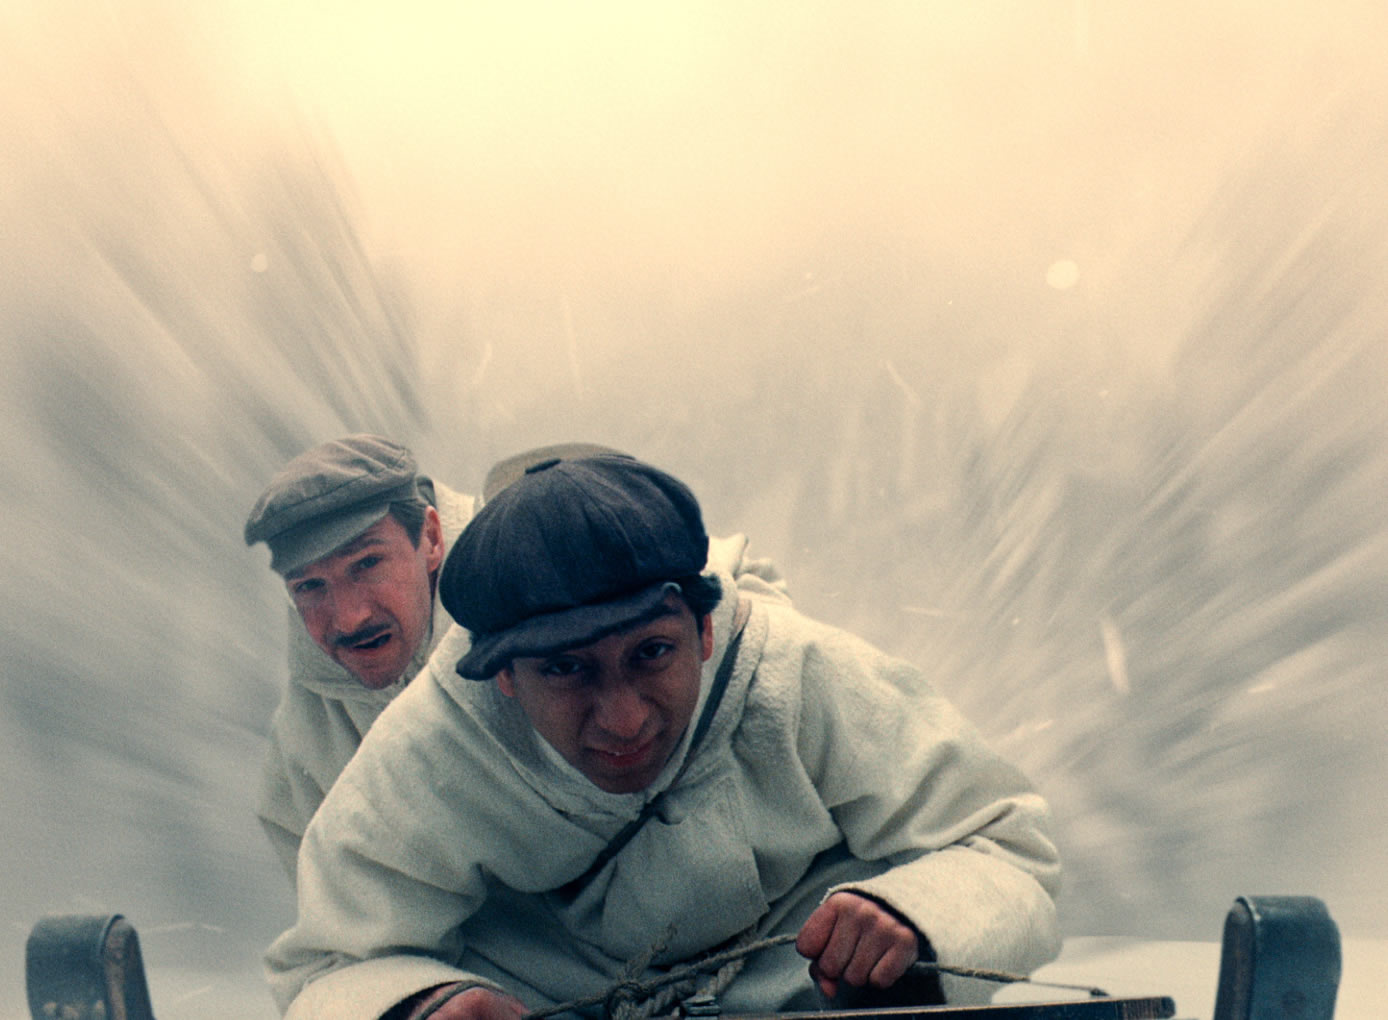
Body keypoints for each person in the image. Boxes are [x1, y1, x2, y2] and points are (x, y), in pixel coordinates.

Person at [264, 454, 1062, 1020]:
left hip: (801, 987)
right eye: (567, 670)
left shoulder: (795, 672)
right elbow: (328, 967)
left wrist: (912, 916)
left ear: (705, 629)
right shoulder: (433, 745)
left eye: (651, 653)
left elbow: (1006, 845)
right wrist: (424, 1004)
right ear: (502, 675)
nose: (623, 719)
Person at [244, 437, 787, 883]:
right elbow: (349, 937)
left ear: (431, 537)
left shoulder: (534, 551)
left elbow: (731, 593)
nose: (348, 617)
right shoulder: (301, 763)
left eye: (366, 564)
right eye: (310, 586)